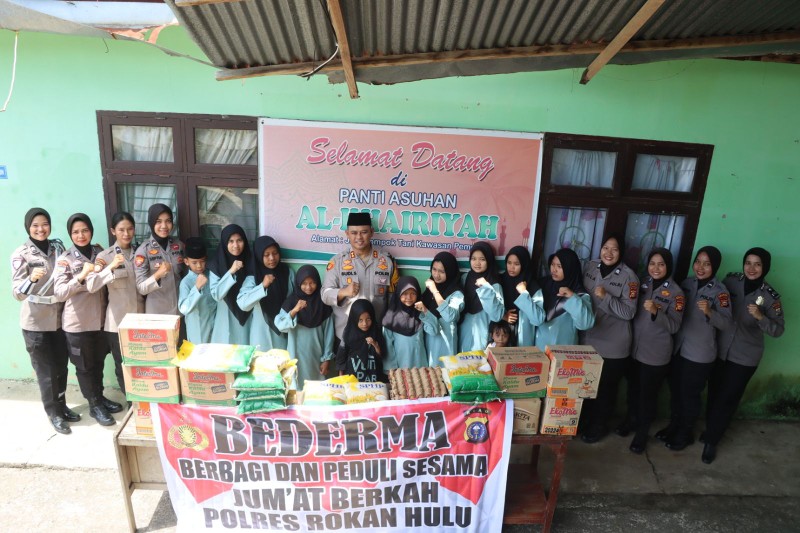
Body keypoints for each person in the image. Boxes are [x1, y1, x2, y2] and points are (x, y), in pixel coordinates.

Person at [702, 248, 785, 464]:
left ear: (765, 267)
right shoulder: (731, 282)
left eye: (757, 264)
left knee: (727, 398)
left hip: (744, 357)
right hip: (720, 350)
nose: (751, 268)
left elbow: (778, 330)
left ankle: (712, 440)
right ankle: (712, 429)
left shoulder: (769, 297)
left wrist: (760, 317)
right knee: (714, 392)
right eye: (748, 262)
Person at [660, 246, 733, 451]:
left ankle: (685, 433)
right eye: (698, 262)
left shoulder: (720, 292)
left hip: (700, 354)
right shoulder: (686, 284)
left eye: (707, 264)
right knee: (676, 391)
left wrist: (710, 312)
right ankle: (674, 426)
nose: (700, 267)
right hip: (679, 349)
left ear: (715, 267)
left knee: (689, 395)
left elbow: (727, 324)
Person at [11, 207, 75, 434]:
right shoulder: (21, 254)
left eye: (44, 224)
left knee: (61, 367)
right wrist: (30, 278)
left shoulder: (57, 248)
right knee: (46, 372)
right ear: (28, 227)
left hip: (58, 319)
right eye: (35, 225)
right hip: (35, 322)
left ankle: (63, 405)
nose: (41, 229)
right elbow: (17, 293)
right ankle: (54, 413)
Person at [55, 213, 122, 427]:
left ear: (91, 231)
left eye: (84, 230)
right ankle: (94, 405)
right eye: (75, 232)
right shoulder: (65, 259)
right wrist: (81, 276)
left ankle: (100, 398)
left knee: (98, 363)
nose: (81, 235)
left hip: (100, 322)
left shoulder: (99, 252)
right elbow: (60, 292)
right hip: (78, 324)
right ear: (70, 235)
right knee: (85, 367)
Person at [579, 235, 639, 444]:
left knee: (604, 390)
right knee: (586, 386)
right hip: (588, 340)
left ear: (620, 253)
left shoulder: (630, 278)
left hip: (613, 345)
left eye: (614, 249)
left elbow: (629, 313)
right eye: (605, 248)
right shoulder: (590, 267)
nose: (608, 253)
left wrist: (607, 297)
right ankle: (585, 421)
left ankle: (599, 425)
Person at [625, 248, 685, 454]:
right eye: (652, 263)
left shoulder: (676, 293)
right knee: (633, 390)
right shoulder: (643, 284)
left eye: (661, 264)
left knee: (647, 397)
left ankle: (642, 434)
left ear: (668, 267)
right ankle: (631, 422)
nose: (656, 268)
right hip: (634, 350)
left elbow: (675, 326)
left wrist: (656, 312)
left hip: (656, 355)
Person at [321, 212, 398, 343]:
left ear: (372, 232)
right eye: (354, 233)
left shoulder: (387, 261)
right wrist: (343, 292)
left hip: (376, 335)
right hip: (345, 336)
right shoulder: (337, 262)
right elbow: (325, 295)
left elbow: (393, 299)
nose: (359, 237)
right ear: (347, 233)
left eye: (364, 232)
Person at [92, 212, 145, 396]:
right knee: (123, 366)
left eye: (130, 229)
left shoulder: (141, 252)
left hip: (141, 320)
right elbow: (92, 284)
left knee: (142, 364)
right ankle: (131, 402)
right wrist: (110, 267)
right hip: (118, 323)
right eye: (121, 230)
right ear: (113, 231)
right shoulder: (105, 256)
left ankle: (144, 400)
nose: (126, 233)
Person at [522, 248, 595, 351]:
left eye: (559, 266)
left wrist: (571, 297)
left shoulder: (580, 294)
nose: (554, 269)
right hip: (539, 351)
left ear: (570, 268)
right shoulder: (542, 285)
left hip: (564, 354)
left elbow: (585, 324)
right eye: (552, 264)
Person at [275, 265, 334, 389]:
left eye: (312, 283)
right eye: (304, 283)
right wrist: (294, 310)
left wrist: (326, 359)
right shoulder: (291, 302)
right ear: (298, 283)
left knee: (316, 390)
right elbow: (280, 325)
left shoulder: (323, 303)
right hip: (296, 356)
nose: (308, 287)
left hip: (317, 356)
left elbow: (329, 333)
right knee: (297, 388)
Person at [238, 236, 292, 350]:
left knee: (282, 363)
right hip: (260, 332)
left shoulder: (287, 272)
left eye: (275, 253)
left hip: (283, 330)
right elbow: (243, 304)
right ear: (259, 255)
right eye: (266, 255)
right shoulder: (254, 276)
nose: (272, 258)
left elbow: (292, 298)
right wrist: (262, 286)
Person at [134, 204, 186, 315]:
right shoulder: (143, 251)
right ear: (151, 223)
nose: (164, 226)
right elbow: (141, 288)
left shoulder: (179, 245)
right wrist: (158, 274)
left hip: (180, 309)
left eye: (168, 221)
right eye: (158, 221)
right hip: (157, 313)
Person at [209, 225, 252, 344]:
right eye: (231, 241)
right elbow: (216, 295)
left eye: (239, 240)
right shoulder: (216, 263)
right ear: (224, 243)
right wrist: (231, 272)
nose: (236, 245)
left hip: (249, 316)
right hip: (225, 315)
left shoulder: (251, 260)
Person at [419, 251, 464, 366]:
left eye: (442, 271)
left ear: (450, 272)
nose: (436, 275)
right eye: (434, 269)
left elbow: (450, 316)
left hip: (444, 341)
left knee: (443, 375)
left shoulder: (457, 293)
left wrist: (435, 291)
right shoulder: (428, 290)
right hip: (427, 338)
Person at [458, 241, 504, 352]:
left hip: (483, 335)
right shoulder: (465, 278)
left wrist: (486, 288)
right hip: (463, 332)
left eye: (482, 259)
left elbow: (497, 315)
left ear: (488, 260)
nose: (477, 263)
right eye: (473, 259)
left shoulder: (494, 284)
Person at [335, 299, 386, 382]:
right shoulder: (348, 334)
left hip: (373, 380)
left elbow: (382, 355)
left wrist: (375, 344)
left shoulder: (376, 332)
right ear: (354, 319)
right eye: (360, 320)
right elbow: (341, 358)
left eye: (368, 319)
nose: (365, 324)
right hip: (352, 380)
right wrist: (341, 377)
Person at [382, 276, 427, 369]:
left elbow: (433, 330)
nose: (409, 297)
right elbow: (388, 347)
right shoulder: (390, 318)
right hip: (400, 369)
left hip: (420, 367)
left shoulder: (421, 314)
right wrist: (392, 369)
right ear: (398, 293)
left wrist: (426, 312)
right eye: (405, 293)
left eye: (413, 293)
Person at [178, 238, 216, 344]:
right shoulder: (186, 282)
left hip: (215, 324)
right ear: (186, 261)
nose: (199, 266)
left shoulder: (212, 275)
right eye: (194, 262)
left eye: (202, 261)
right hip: (197, 328)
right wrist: (196, 288)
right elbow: (183, 308)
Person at [500, 245, 539, 347]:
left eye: (516, 264)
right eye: (509, 263)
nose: (512, 267)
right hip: (502, 335)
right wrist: (503, 315)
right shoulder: (500, 281)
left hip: (523, 336)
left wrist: (524, 293)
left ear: (524, 264)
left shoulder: (532, 285)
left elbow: (538, 318)